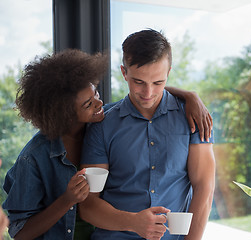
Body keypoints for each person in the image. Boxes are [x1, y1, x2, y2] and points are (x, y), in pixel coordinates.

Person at [2, 49, 212, 240]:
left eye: (97, 95)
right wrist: (67, 200)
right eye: (88, 104)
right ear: (64, 115)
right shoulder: (34, 158)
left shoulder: (100, 123)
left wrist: (189, 96)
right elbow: (20, 232)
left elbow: (147, 91)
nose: (99, 104)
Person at [78, 29, 216, 240]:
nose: (148, 93)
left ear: (168, 72)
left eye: (158, 83)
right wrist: (133, 222)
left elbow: (204, 188)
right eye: (139, 82)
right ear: (124, 73)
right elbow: (88, 206)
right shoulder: (103, 124)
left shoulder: (194, 117)